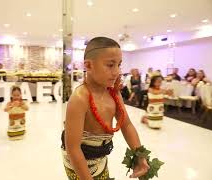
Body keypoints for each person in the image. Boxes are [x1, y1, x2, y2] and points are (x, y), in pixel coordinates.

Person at [61, 37, 149, 179]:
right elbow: (73, 148)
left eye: (119, 65)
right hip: (77, 162)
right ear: (88, 66)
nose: (117, 72)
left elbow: (126, 125)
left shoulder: (114, 93)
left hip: (101, 155)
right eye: (110, 65)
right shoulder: (79, 98)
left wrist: (140, 156)